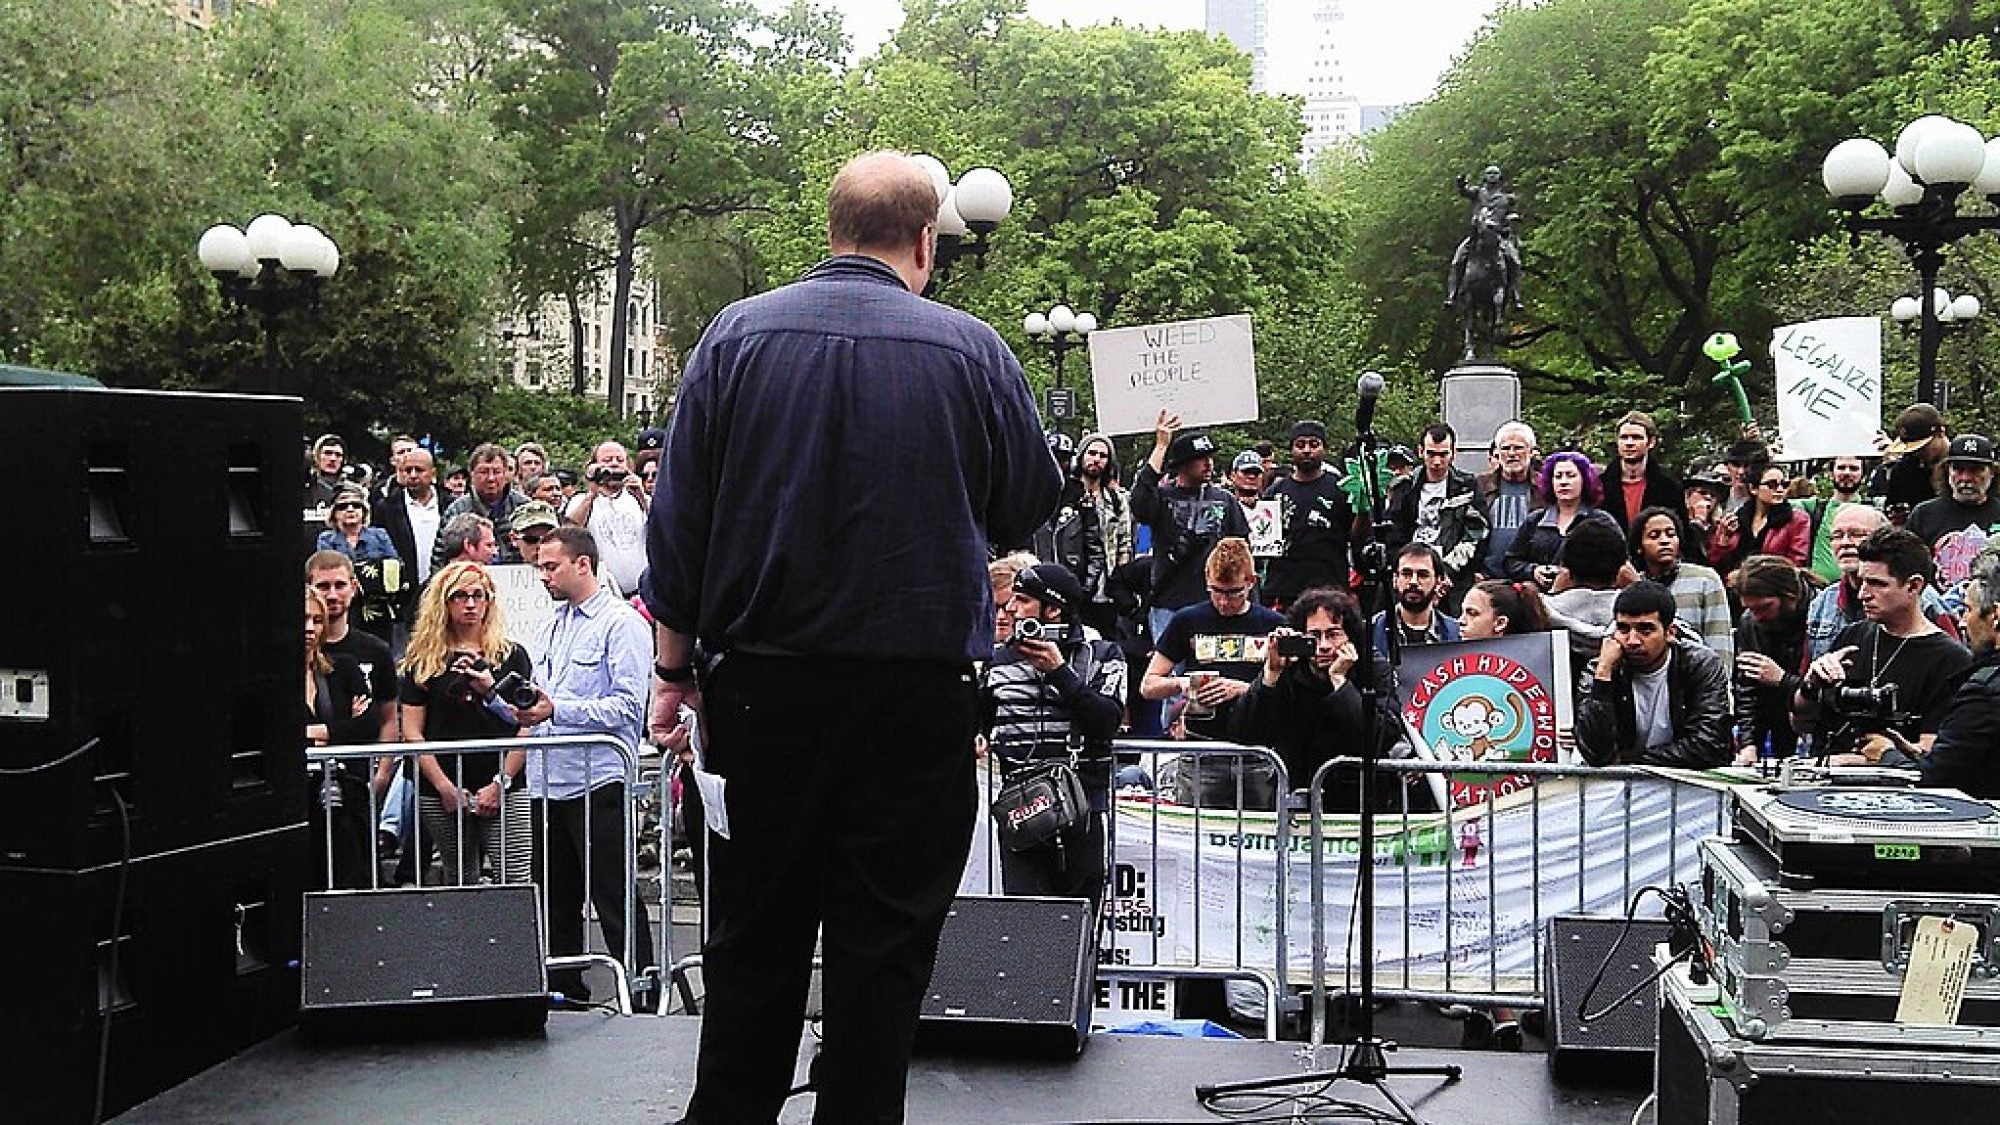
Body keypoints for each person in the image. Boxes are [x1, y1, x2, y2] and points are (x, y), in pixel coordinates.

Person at [642, 151, 1059, 1125]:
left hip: (762, 694)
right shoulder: (971, 349)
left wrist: (672, 668)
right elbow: (1026, 503)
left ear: (828, 231)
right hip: (912, 705)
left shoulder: (734, 338)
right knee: (883, 957)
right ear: (924, 240)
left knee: (750, 946)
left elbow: (678, 526)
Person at [515, 526, 658, 1004]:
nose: (543, 576)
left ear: (583, 564)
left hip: (598, 779)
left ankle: (641, 990)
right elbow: (538, 700)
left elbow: (627, 708)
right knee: (556, 900)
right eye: (539, 567)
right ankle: (565, 993)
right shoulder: (550, 625)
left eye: (551, 566)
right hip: (547, 780)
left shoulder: (622, 624)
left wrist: (559, 709)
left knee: (614, 896)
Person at [978, 564, 1125, 907]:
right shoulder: (997, 660)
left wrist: (1059, 672)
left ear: (1053, 609)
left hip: (1083, 803)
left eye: (1023, 600)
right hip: (1021, 806)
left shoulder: (1101, 653)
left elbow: (1106, 722)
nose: (1011, 609)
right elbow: (980, 718)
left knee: (1078, 923)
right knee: (1026, 924)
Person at [397, 560, 531, 885]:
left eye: (478, 595)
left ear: (489, 601)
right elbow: (412, 731)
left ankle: (517, 938)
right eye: (459, 596)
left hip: (503, 780)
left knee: (515, 877)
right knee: (459, 877)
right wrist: (444, 787)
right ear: (444, 602)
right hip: (441, 783)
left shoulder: (511, 655)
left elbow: (526, 724)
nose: (470, 604)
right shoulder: (423, 660)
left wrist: (501, 783)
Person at [1229, 585, 1414, 812]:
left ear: (1350, 636)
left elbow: (1380, 737)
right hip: (1297, 800)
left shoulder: (1373, 667)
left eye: (1333, 634)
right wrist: (1270, 675)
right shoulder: (1289, 669)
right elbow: (1246, 732)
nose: (1324, 645)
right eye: (1314, 636)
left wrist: (1340, 683)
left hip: (1361, 802)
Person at [1793, 526, 1971, 760]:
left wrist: (1865, 761)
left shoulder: (1950, 659)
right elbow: (1801, 724)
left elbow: (1935, 756)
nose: (1863, 594)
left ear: (1913, 586)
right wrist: (1810, 686)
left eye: (1877, 584)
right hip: (1823, 782)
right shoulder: (1852, 637)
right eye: (1863, 582)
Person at [1141, 538, 1286, 805]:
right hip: (1202, 751)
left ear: (1251, 582)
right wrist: (1184, 684)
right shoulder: (1187, 620)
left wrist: (1244, 688)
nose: (1223, 602)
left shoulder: (1272, 624)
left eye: (1233, 593)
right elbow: (1149, 685)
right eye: (1215, 591)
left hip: (1257, 753)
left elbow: (1291, 693)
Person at [1872, 561, 2000, 796]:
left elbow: (1937, 780)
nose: (1961, 622)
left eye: (1967, 610)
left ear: (1995, 616)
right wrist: (1916, 754)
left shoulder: (1985, 690)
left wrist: (1886, 755)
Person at [1573, 581, 1733, 768]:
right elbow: (1595, 753)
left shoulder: (1700, 664)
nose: (1632, 641)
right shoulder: (1601, 669)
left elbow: (1709, 746)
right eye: (1623, 629)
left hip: (1687, 786)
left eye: (1645, 630)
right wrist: (1603, 676)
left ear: (1669, 633)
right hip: (1619, 788)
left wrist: (1628, 761)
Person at [1132, 412, 1251, 640]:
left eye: (1210, 457)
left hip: (1217, 603)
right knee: (1170, 673)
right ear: (1183, 464)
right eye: (1200, 458)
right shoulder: (1162, 498)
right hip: (1170, 602)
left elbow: (1242, 552)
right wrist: (1160, 446)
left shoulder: (1224, 500)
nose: (1209, 463)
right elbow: (1140, 501)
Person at [1804, 504, 1962, 661]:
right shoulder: (1822, 603)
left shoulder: (1925, 600)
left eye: (1856, 534)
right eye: (1837, 535)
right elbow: (1807, 672)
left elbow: (1951, 660)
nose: (1845, 542)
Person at [304, 586, 380, 889]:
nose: (310, 628)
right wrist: (341, 727)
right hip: (297, 801)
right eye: (303, 619)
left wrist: (317, 732)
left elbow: (368, 726)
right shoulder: (267, 677)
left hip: (343, 796)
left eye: (317, 620)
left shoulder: (343, 667)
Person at [1031, 431, 1135, 639]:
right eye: (1092, 453)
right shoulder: (1061, 494)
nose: (1096, 459)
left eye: (1102, 455)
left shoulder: (1117, 499)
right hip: (1064, 583)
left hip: (1105, 589)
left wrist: (1120, 583)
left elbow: (1124, 543)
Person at [1389, 423, 1489, 609]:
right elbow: (1394, 534)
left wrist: (1447, 572)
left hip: (1454, 575)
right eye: (1431, 454)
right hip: (1410, 572)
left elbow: (1477, 534)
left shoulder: (1467, 486)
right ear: (1420, 451)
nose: (1437, 462)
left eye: (1443, 455)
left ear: (1453, 453)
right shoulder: (1404, 487)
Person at [1261, 419, 1354, 612]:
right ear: (1291, 449)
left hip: (1330, 588)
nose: (1307, 450)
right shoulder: (1274, 493)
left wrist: (1362, 510)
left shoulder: (1341, 489)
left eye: (1314, 444)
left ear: (1324, 449)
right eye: (1300, 444)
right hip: (1285, 590)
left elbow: (1355, 537)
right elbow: (1262, 545)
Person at [1729, 556, 1811, 763]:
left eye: (1765, 608)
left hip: (1811, 727)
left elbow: (1828, 692)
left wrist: (1783, 679)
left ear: (1789, 595)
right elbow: (1747, 688)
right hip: (1775, 724)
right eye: (1751, 609)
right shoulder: (1750, 623)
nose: (1758, 616)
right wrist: (1749, 743)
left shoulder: (1821, 615)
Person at [1502, 450, 1620, 592]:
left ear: (1585, 480)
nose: (1563, 482)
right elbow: (1511, 561)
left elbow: (1621, 563)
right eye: (1558, 476)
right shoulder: (1535, 520)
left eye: (1571, 476)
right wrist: (1533, 571)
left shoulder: (1602, 521)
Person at [1631, 506, 1733, 658]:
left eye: (1671, 534)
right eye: (1654, 536)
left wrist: (1720, 679)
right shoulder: (1635, 586)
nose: (1664, 541)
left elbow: (1720, 641)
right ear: (1639, 546)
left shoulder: (1705, 579)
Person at [1906, 433, 2000, 588]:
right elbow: (1907, 568)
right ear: (1947, 471)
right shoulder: (1923, 515)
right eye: (1958, 469)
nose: (1966, 478)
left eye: (1975, 470)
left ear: (1992, 472)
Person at [315, 485, 405, 644]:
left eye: (356, 505)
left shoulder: (380, 535)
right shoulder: (326, 539)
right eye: (343, 506)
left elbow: (395, 567)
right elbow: (326, 568)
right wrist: (373, 571)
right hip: (342, 607)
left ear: (364, 511)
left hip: (379, 611)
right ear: (334, 513)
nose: (350, 509)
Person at [566, 440, 650, 594]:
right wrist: (593, 491)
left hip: (642, 591)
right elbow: (569, 531)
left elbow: (663, 527)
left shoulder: (639, 499)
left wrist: (641, 495)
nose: (614, 464)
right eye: (607, 460)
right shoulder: (580, 500)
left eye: (620, 460)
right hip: (602, 592)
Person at [1711, 458, 1810, 581]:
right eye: (1772, 485)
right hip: (1734, 591)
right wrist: (1723, 542)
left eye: (1784, 484)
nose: (1779, 490)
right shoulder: (1737, 518)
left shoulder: (1797, 519)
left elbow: (1796, 563)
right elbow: (1716, 563)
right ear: (1753, 488)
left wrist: (1748, 576)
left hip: (1774, 589)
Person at [440, 444, 530, 567]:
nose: (491, 478)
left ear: (505, 473)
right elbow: (441, 557)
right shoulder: (457, 510)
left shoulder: (524, 507)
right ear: (472, 474)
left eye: (497, 472)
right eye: (484, 472)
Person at [1600, 411, 1685, 536]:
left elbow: (1682, 535)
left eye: (1636, 437)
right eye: (1624, 437)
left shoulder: (1669, 488)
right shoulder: (1599, 486)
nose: (1629, 443)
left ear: (1651, 442)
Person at [1475, 420, 1540, 582]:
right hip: (1487, 579)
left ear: (1531, 452)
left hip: (1530, 579)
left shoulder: (1544, 487)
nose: (1512, 454)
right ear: (1497, 452)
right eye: (1505, 448)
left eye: (1518, 447)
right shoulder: (1480, 485)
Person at [377, 446, 444, 591]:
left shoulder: (448, 504)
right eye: (408, 470)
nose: (413, 475)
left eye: (419, 470)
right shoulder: (387, 507)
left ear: (433, 473)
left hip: (443, 584)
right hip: (405, 592)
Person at [1372, 542, 1462, 650]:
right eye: (1406, 574)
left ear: (1438, 581)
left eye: (1423, 575)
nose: (1413, 582)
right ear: (1395, 580)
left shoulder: (1456, 634)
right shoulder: (1372, 630)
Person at [1799, 454, 1869, 584]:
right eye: (1841, 467)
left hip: (1860, 588)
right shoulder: (1813, 507)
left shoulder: (1874, 509)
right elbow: (1772, 499)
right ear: (1831, 473)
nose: (1847, 473)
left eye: (1853, 468)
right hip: (1818, 589)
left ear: (1863, 476)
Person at [1870, 403, 1948, 515]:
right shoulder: (1903, 471)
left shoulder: (1964, 465)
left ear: (1940, 432)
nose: (1917, 453)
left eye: (1922, 447)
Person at [1681, 466, 1730, 568]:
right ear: (1688, 496)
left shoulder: (1720, 528)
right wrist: (1698, 521)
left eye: (1713, 495)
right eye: (1702, 493)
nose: (1708, 497)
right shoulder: (1678, 523)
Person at [305, 433, 348, 509]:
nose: (333, 459)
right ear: (317, 456)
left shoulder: (352, 490)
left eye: (338, 455)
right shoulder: (306, 489)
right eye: (328, 453)